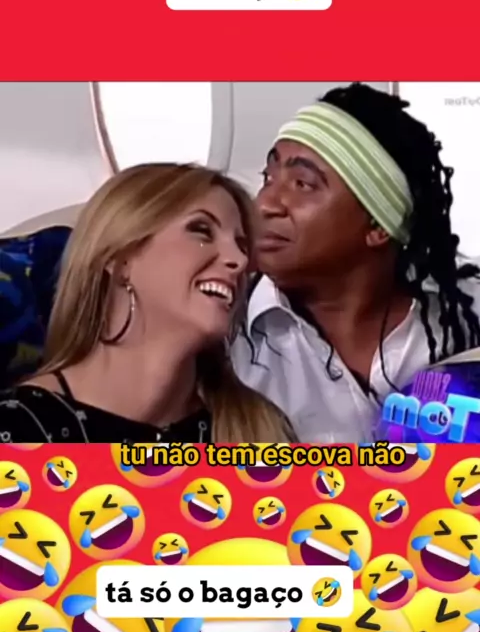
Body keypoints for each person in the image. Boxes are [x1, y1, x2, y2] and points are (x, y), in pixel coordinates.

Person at [230, 83, 480, 443]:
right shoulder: (228, 337)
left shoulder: (464, 320)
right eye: (268, 178)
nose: (265, 203)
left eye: (302, 184)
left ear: (378, 226)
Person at [0, 163, 296, 443]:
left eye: (242, 245)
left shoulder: (261, 430)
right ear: (120, 259)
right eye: (202, 231)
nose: (239, 260)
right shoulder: (18, 430)